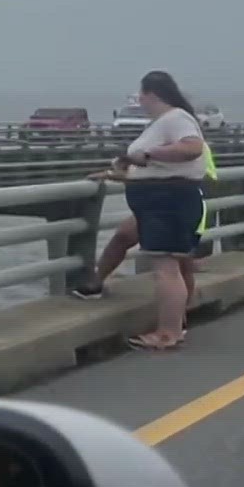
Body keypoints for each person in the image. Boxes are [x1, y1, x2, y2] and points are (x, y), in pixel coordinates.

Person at [88, 72, 207, 351]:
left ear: (152, 94)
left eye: (141, 94)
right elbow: (156, 168)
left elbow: (192, 148)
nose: (139, 100)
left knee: (166, 269)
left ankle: (168, 333)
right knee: (167, 261)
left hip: (167, 201)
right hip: (160, 200)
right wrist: (118, 172)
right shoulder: (163, 122)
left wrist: (150, 154)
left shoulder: (176, 118)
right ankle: (175, 325)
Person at [72, 136, 215, 305]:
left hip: (184, 206)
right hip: (157, 204)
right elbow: (151, 173)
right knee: (123, 236)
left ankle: (181, 314)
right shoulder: (162, 139)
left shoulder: (190, 145)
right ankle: (95, 284)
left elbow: (171, 177)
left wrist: (116, 175)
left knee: (181, 262)